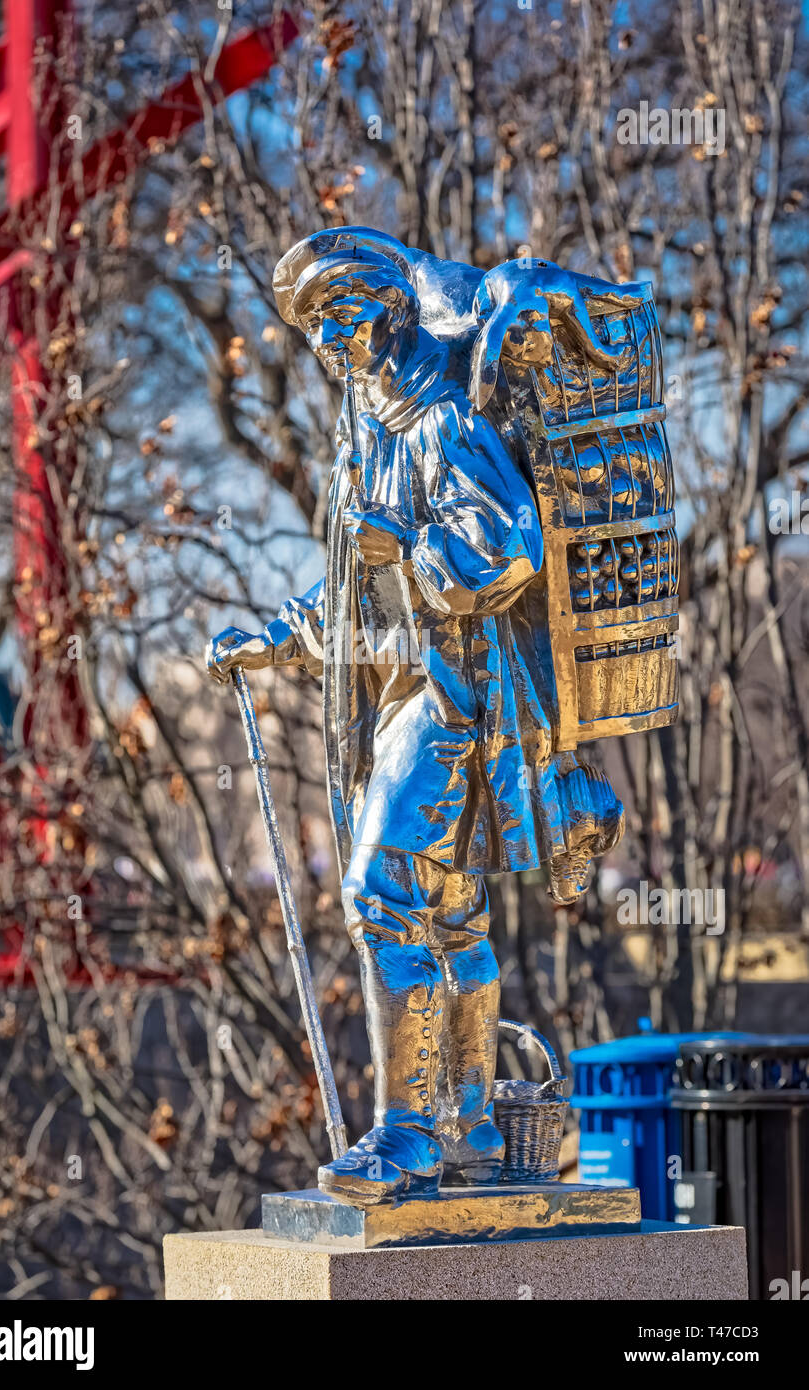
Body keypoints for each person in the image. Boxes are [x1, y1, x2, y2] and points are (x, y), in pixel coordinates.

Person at [206, 230, 623, 1204]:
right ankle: (472, 1120)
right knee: (455, 913)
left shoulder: (438, 420)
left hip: (454, 704)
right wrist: (276, 639)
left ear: (387, 309)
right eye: (313, 325)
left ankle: (405, 1136)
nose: (327, 339)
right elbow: (357, 592)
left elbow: (507, 544)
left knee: (377, 894)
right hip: (399, 695)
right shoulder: (369, 431)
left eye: (340, 315)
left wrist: (411, 553)